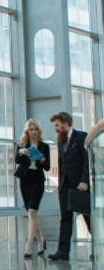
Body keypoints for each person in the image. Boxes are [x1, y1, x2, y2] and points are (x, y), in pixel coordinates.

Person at [48, 112, 90, 261]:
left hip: (80, 186)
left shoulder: (81, 137)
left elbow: (87, 161)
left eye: (57, 125)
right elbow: (61, 164)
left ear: (66, 123)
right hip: (65, 186)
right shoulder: (60, 141)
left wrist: (85, 181)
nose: (56, 129)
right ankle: (63, 251)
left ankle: (98, 248)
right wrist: (59, 186)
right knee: (65, 218)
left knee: (88, 218)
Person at [15, 119, 50, 258]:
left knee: (32, 210)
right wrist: (21, 153)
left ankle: (29, 244)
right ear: (27, 132)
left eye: (36, 129)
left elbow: (47, 167)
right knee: (32, 213)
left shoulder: (44, 146)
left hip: (37, 180)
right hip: (25, 180)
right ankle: (41, 241)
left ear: (39, 131)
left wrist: (43, 161)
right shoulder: (22, 145)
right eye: (31, 129)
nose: (34, 132)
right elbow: (17, 161)